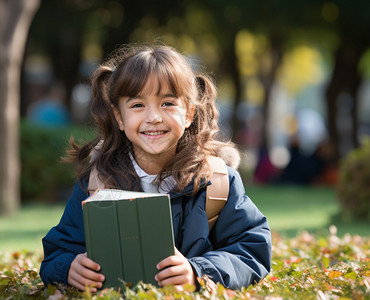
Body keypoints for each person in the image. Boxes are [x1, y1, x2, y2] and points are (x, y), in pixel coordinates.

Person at [39, 44, 271, 292]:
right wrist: (69, 268)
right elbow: (58, 251)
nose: (154, 117)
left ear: (189, 114)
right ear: (119, 117)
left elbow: (251, 250)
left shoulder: (218, 182)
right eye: (138, 105)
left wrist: (198, 272)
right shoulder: (96, 182)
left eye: (168, 103)